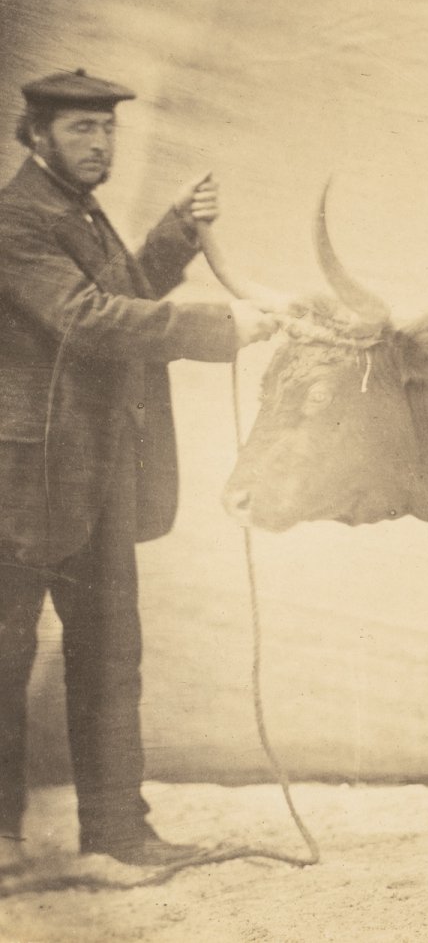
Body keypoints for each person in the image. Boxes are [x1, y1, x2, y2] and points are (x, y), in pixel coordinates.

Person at [0, 69, 278, 871]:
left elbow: (123, 294)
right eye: (81, 129)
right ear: (36, 134)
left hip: (92, 478)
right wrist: (225, 324)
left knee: (111, 656)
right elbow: (89, 320)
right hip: (17, 490)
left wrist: (174, 232)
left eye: (107, 129)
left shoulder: (77, 213)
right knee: (3, 659)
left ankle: (118, 834)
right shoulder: (16, 219)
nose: (99, 143)